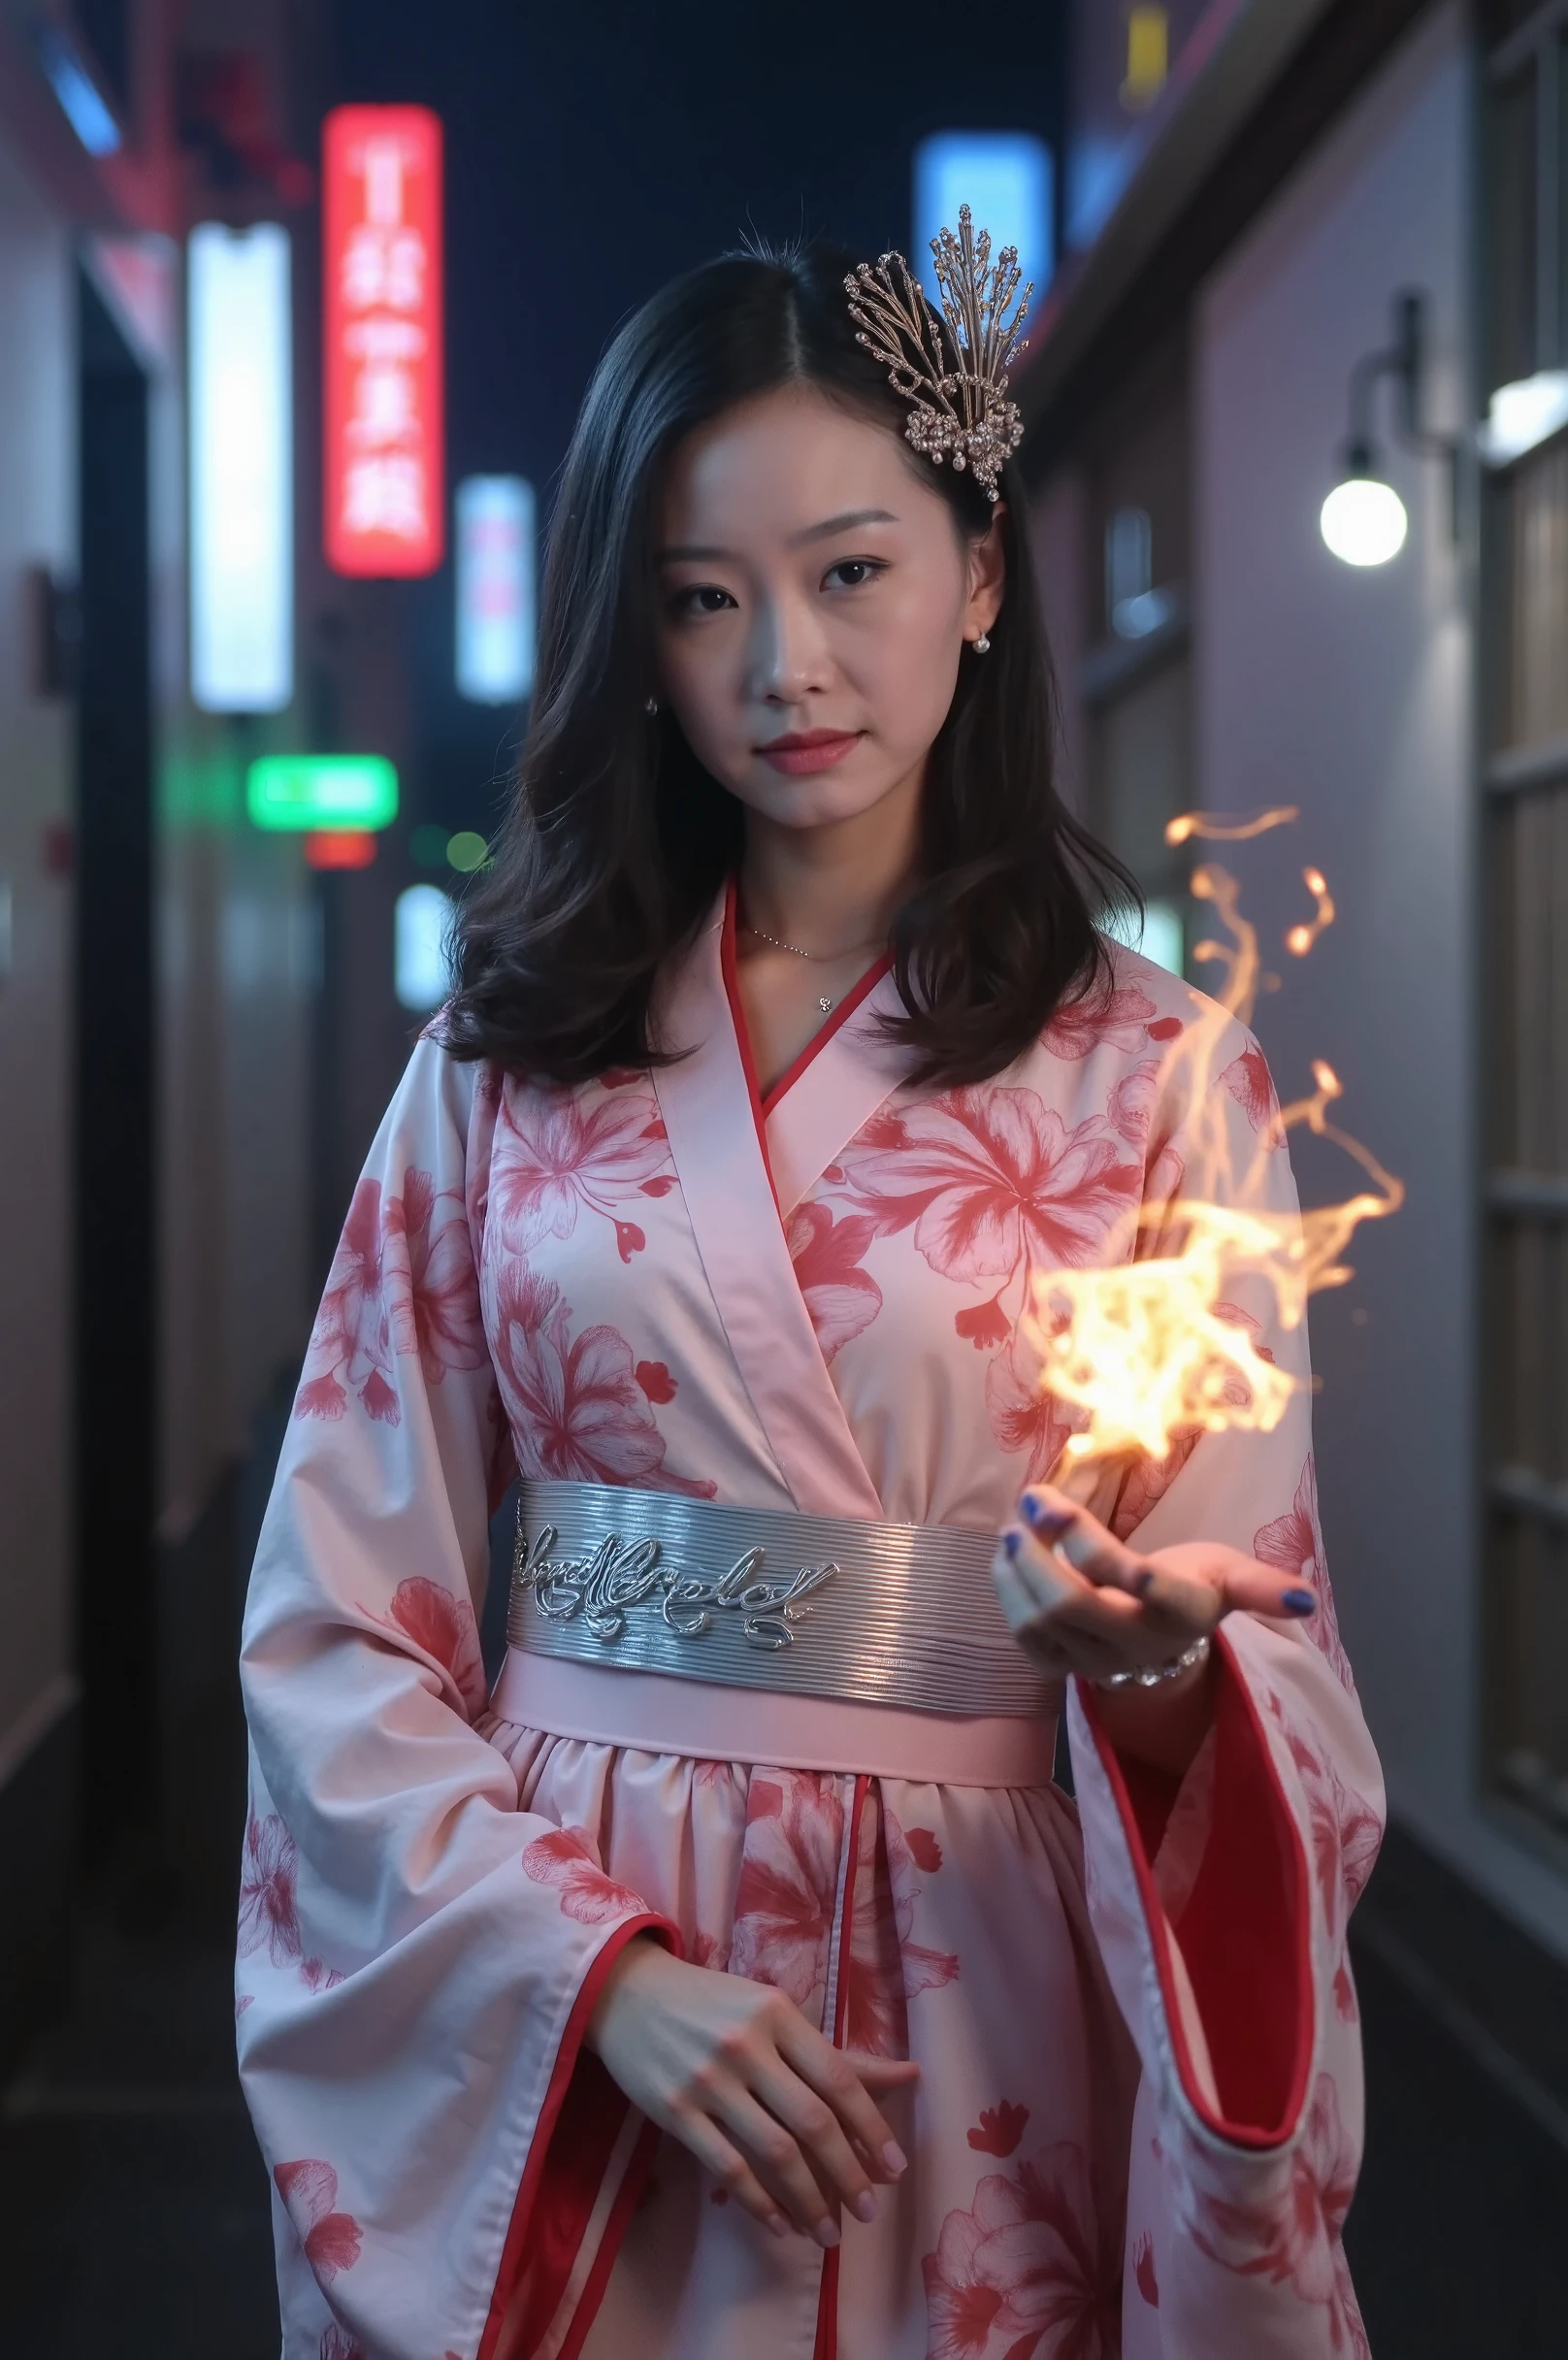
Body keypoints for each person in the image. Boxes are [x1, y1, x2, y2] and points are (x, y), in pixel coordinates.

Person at [238, 214, 1383, 2360]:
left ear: (977, 569)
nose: (787, 667)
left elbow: (1258, 1620)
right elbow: (333, 1615)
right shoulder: (501, 1060)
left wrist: (1146, 1675)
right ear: (633, 640)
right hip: (584, 1969)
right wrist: (599, 1978)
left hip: (995, 1972)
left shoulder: (1152, 1075)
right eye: (701, 599)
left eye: (851, 570)